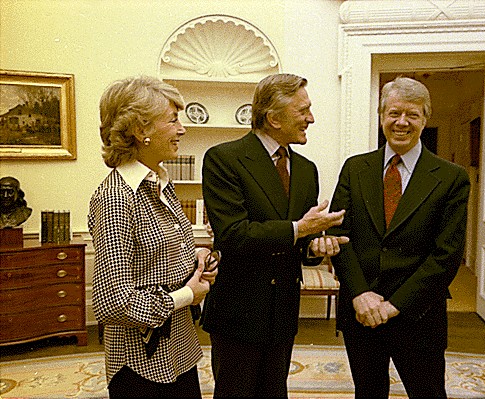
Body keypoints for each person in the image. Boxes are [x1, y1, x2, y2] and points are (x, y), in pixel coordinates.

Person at [200, 73, 349, 397]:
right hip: (239, 313)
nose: (311, 118)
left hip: (282, 313)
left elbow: (300, 245)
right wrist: (300, 230)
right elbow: (233, 235)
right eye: (303, 110)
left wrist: (316, 246)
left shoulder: (306, 169)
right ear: (273, 118)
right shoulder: (224, 159)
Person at [328, 76, 471, 398]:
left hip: (418, 313)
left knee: (428, 392)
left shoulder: (451, 178)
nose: (401, 122)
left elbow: (446, 254)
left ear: (425, 118)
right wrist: (361, 294)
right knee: (367, 391)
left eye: (412, 114)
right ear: (381, 116)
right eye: (393, 113)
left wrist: (393, 306)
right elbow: (339, 234)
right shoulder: (355, 168)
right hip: (360, 311)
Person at [88, 75, 217, 398]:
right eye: (173, 120)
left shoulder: (158, 183)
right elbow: (112, 303)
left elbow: (154, 260)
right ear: (140, 130)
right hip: (139, 362)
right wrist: (187, 295)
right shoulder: (117, 197)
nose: (182, 129)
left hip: (179, 350)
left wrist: (195, 260)